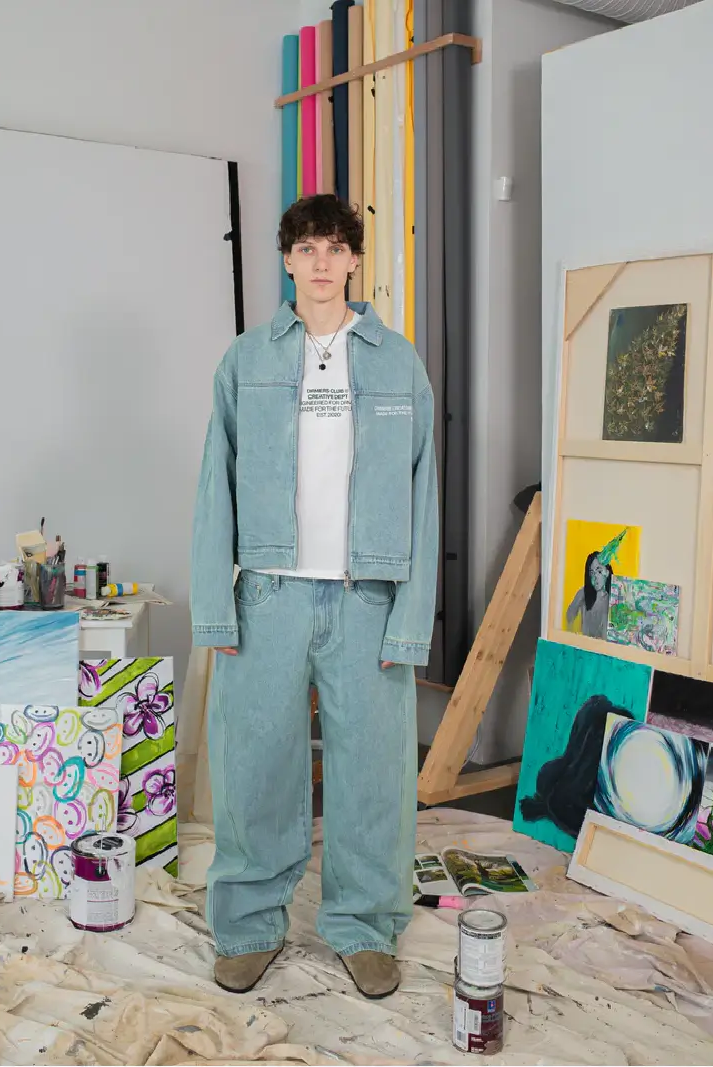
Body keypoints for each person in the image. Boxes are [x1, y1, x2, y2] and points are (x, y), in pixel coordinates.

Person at [191, 194, 438, 999]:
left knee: (373, 773)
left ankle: (365, 926)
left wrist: (410, 619)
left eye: (336, 246)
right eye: (307, 247)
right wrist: (214, 605)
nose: (322, 261)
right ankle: (248, 925)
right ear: (288, 260)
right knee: (254, 764)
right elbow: (215, 487)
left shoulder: (398, 363)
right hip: (269, 596)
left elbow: (424, 492)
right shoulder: (245, 360)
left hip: (367, 598)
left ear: (355, 259)